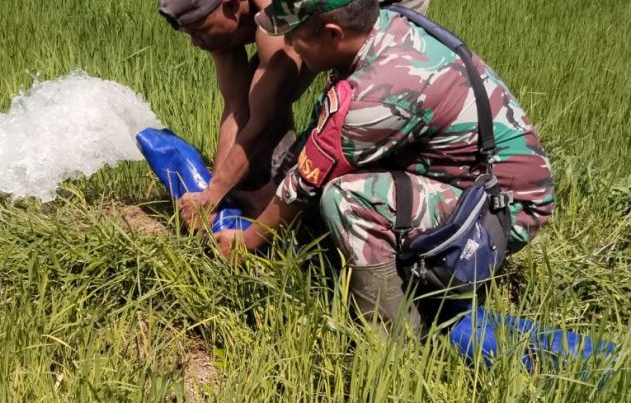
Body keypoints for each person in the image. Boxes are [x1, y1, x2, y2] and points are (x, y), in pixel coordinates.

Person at [213, 0, 555, 333]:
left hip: (502, 210)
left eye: (296, 35)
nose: (289, 44)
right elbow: (322, 139)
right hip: (474, 181)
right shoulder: (382, 27)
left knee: (347, 200)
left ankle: (393, 336)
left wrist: (245, 241)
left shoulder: (381, 93)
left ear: (333, 34)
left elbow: (304, 185)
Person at [157, 0, 430, 230]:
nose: (195, 43)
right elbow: (236, 107)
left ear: (230, 6)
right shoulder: (218, 24)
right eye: (189, 34)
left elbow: (262, 115)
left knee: (353, 102)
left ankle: (324, 206)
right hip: (315, 18)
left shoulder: (281, 15)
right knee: (261, 94)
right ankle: (271, 192)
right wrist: (213, 189)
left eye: (199, 31)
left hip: (383, 7)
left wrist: (214, 195)